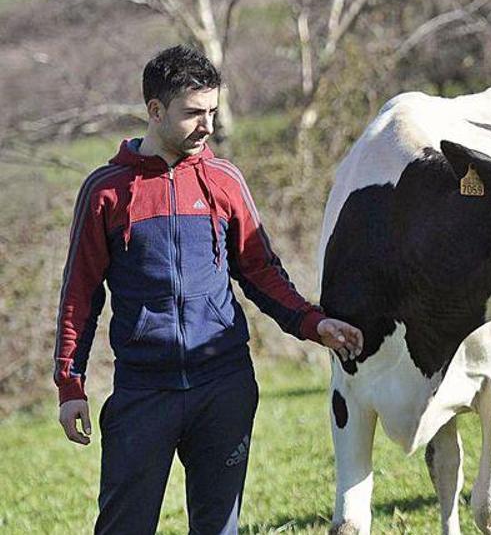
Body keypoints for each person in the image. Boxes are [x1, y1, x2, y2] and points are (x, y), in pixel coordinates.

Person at [53, 45, 364, 534]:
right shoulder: (106, 191)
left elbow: (260, 271)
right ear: (155, 111)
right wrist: (70, 386)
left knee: (219, 528)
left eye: (213, 112)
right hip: (142, 392)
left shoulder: (224, 181)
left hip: (224, 386)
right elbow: (80, 295)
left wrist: (312, 321)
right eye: (194, 113)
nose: (208, 126)